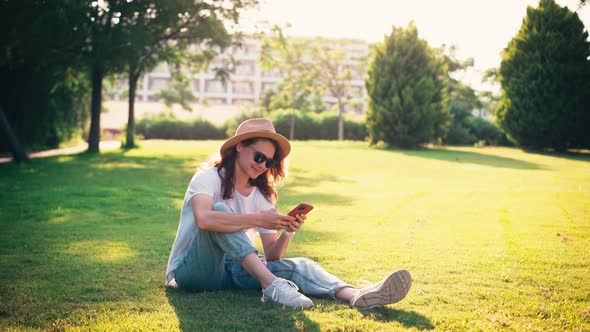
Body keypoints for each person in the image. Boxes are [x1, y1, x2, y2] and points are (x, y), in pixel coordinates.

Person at [165, 118, 412, 308]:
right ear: (240, 146)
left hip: (233, 271)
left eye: (269, 162)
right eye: (259, 156)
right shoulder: (208, 178)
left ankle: (356, 295)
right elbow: (204, 219)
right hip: (194, 272)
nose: (262, 166)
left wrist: (287, 232)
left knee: (299, 265)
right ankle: (272, 286)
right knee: (219, 211)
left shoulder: (262, 197)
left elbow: (273, 256)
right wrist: (260, 219)